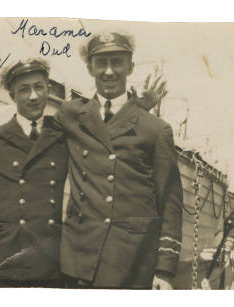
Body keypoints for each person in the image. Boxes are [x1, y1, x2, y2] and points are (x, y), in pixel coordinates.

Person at [56, 31, 183, 289]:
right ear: (90, 68)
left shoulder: (156, 129)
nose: (109, 71)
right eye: (101, 63)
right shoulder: (71, 114)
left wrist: (165, 270)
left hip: (131, 262)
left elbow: (170, 201)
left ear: (130, 67)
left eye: (117, 62)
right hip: (78, 260)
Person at [0, 58, 68, 287]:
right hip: (0, 260)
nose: (33, 96)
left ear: (47, 90)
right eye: (24, 89)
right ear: (12, 96)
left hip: (49, 262)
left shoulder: (63, 136)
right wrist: (2, 219)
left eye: (39, 87)